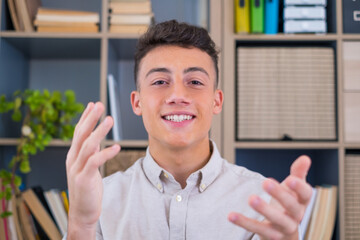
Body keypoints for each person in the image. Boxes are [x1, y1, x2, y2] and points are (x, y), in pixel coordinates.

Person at [65, 20, 312, 240]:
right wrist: (80, 226)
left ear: (216, 101)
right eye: (160, 82)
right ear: (137, 102)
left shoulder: (261, 201)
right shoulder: (99, 199)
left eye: (195, 82)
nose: (177, 96)